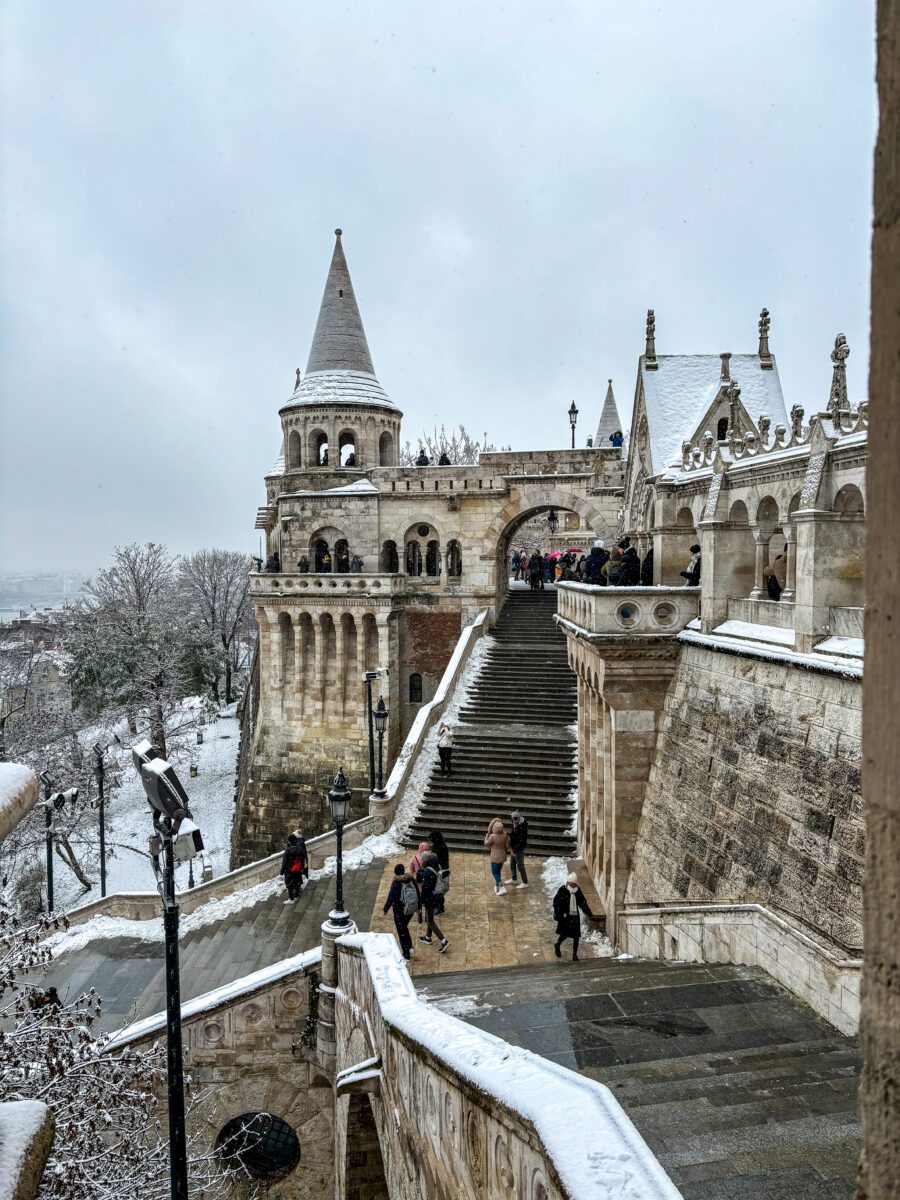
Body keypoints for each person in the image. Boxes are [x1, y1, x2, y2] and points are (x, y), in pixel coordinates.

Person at [552, 872, 596, 961]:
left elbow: (582, 902)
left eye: (574, 883)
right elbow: (556, 903)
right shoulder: (562, 890)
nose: (572, 885)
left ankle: (574, 955)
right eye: (571, 883)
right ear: (568, 882)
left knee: (576, 936)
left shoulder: (577, 891)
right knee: (564, 935)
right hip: (565, 916)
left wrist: (589, 913)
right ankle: (557, 945)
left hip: (574, 916)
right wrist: (558, 913)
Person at [383, 863, 420, 960]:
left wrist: (385, 909)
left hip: (400, 911)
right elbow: (417, 893)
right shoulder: (412, 880)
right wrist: (418, 907)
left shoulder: (396, 883)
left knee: (401, 931)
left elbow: (390, 898)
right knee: (404, 927)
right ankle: (410, 946)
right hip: (411, 910)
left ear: (395, 872)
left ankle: (406, 953)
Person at [416, 850, 449, 952]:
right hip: (438, 895)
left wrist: (422, 900)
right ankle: (428, 937)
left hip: (430, 898)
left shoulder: (427, 871)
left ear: (425, 860)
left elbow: (426, 888)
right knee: (429, 918)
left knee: (429, 920)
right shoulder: (437, 864)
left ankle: (444, 941)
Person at [484, 818, 511, 896]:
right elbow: (507, 845)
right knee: (498, 871)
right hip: (502, 856)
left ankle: (502, 887)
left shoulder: (492, 836)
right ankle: (497, 886)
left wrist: (486, 837)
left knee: (494, 872)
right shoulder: (505, 834)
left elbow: (486, 843)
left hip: (495, 857)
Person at [279, 832, 307, 904]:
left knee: (289, 884)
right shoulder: (299, 848)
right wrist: (302, 867)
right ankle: (296, 896)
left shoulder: (288, 850)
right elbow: (303, 858)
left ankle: (291, 899)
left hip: (289, 869)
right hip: (297, 868)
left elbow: (284, 861)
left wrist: (282, 871)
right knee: (297, 882)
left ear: (290, 841)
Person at [429, 828, 450, 914]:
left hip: (441, 871)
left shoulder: (440, 847)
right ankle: (438, 905)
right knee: (438, 889)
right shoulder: (440, 845)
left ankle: (439, 907)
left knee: (439, 889)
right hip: (441, 870)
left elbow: (437, 859)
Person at [508, 811, 529, 889]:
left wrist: (515, 849)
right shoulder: (514, 825)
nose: (515, 821)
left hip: (519, 850)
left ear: (519, 818)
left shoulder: (522, 827)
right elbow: (513, 836)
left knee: (520, 866)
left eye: (517, 819)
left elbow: (522, 841)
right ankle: (514, 879)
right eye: (514, 819)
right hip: (514, 849)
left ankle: (525, 882)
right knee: (512, 864)